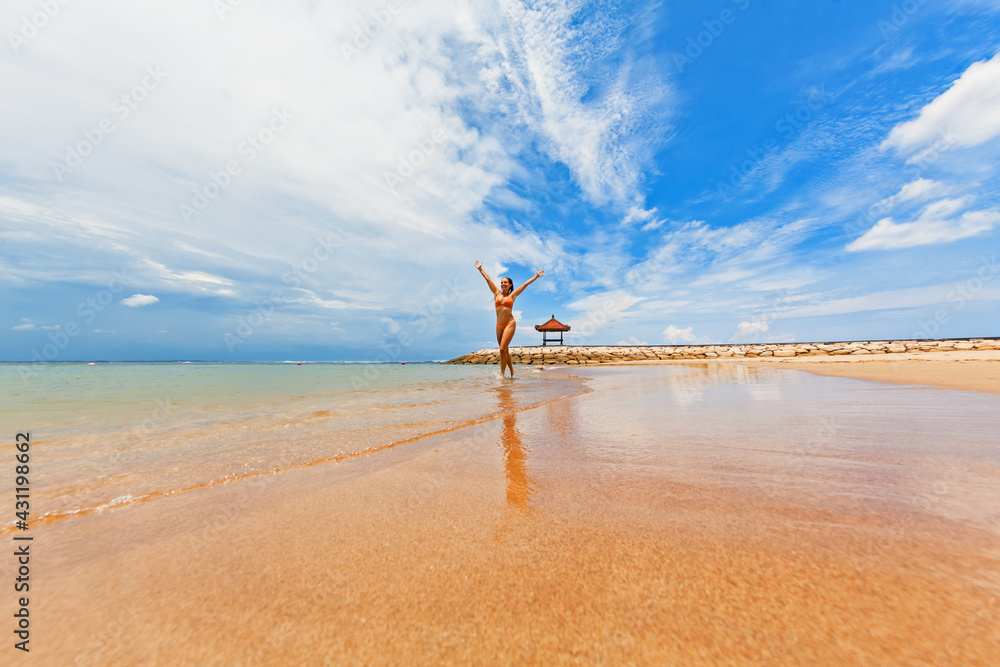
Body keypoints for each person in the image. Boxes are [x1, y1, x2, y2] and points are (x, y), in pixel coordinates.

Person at [475, 261, 544, 377]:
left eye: (505, 282)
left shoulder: (513, 295)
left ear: (510, 285)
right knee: (505, 350)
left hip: (509, 324)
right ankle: (512, 370)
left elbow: (525, 284)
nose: (503, 284)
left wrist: (536, 276)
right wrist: (480, 269)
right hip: (499, 325)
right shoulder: (496, 293)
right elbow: (488, 280)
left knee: (502, 349)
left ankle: (502, 374)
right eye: (501, 282)